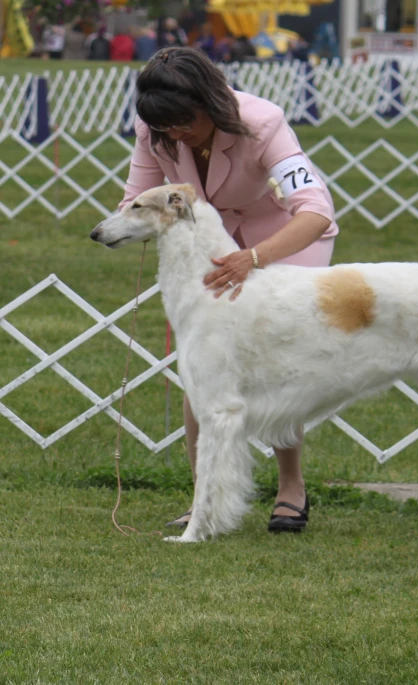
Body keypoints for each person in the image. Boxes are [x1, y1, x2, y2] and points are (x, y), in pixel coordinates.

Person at [118, 47, 338, 534]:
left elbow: (315, 210)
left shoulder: (263, 124)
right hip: (211, 250)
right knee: (203, 370)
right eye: (164, 127)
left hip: (283, 240)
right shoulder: (153, 127)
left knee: (278, 368)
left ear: (210, 101)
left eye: (183, 123)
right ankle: (206, 501)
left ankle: (291, 488)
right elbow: (136, 200)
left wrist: (255, 258)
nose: (175, 134)